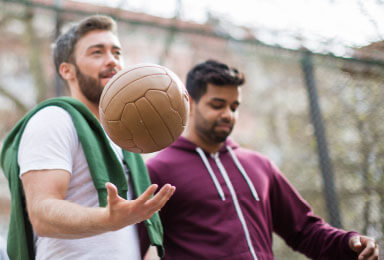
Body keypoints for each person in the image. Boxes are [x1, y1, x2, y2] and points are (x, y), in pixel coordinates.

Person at [143, 60, 380, 260]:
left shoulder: (259, 165)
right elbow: (133, 247)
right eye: (217, 105)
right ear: (190, 103)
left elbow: (304, 230)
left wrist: (349, 243)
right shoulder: (159, 170)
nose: (228, 114)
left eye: (234, 107)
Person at [0, 15, 175, 260]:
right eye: (97, 53)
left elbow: (138, 234)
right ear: (67, 70)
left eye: (117, 52)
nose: (112, 61)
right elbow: (42, 213)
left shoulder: (126, 139)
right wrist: (109, 219)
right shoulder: (55, 119)